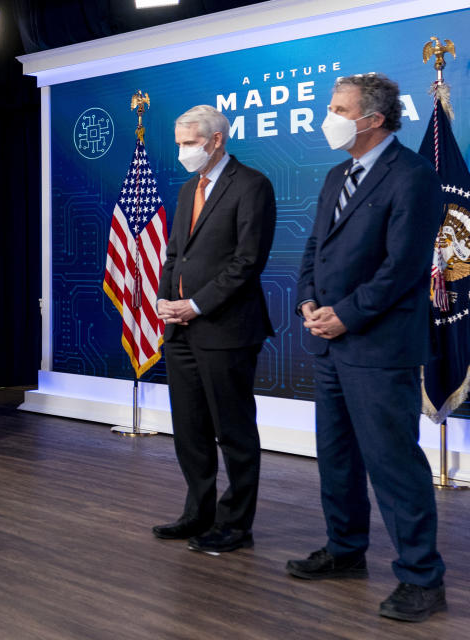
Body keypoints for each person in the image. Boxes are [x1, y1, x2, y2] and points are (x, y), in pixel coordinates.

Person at [287, 73, 447, 622]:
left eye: (337, 108)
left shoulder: (414, 176)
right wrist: (309, 301)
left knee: (393, 463)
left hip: (379, 347)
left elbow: (403, 267)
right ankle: (345, 550)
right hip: (330, 345)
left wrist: (346, 316)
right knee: (336, 457)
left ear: (373, 119)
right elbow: (315, 248)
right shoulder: (337, 175)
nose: (326, 116)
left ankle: (422, 578)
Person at [154, 105, 276, 553]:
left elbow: (248, 261)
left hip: (227, 329)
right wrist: (168, 300)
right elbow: (175, 254)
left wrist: (197, 304)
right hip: (180, 330)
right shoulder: (189, 189)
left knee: (234, 430)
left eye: (189, 142)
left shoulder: (252, 186)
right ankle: (197, 512)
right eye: (180, 142)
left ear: (216, 139)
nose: (182, 150)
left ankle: (235, 524)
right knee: (190, 428)